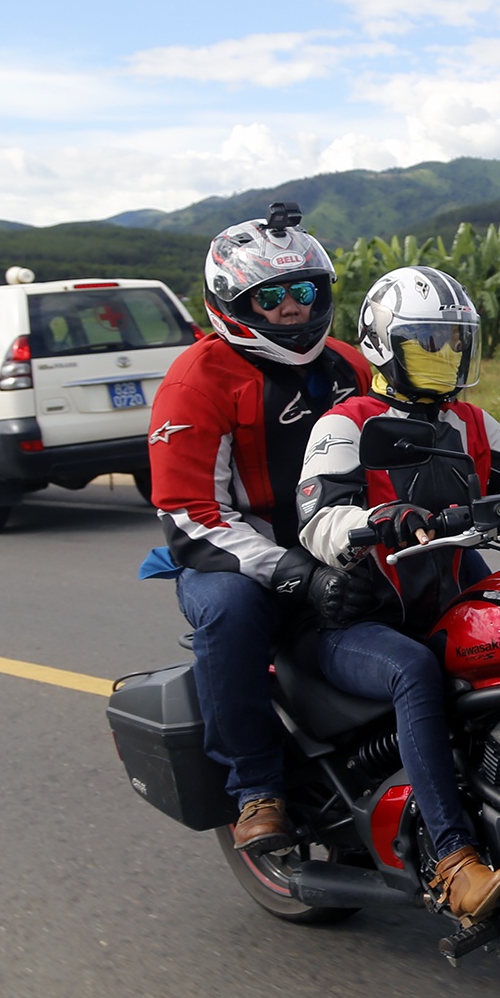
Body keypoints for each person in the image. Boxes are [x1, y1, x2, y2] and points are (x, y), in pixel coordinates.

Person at [295, 266, 500, 922]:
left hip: (441, 604)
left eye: (454, 342)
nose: (446, 356)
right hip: (356, 622)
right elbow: (317, 522)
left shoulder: (472, 424)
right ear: (386, 345)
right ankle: (455, 861)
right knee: (414, 669)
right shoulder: (347, 423)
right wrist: (376, 520)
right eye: (428, 342)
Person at [146, 203, 370, 855]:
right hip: (233, 556)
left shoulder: (348, 367)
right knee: (231, 611)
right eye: (269, 297)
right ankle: (256, 789)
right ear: (231, 301)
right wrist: (294, 572)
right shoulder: (198, 378)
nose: (291, 309)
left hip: (336, 538)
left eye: (303, 291)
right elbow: (192, 515)